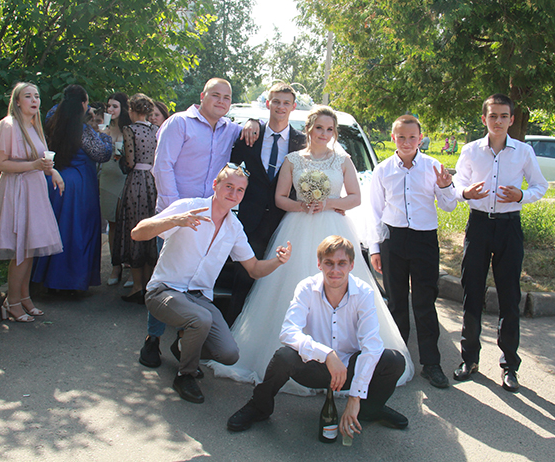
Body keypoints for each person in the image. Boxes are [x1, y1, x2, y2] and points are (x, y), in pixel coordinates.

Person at [207, 105, 414, 395]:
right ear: (309, 129)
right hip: (298, 225)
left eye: (330, 129)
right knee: (289, 286)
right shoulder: (293, 160)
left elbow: (355, 198)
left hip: (334, 227)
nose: (324, 134)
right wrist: (302, 205)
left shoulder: (343, 160)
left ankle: (345, 360)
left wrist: (328, 203)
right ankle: (291, 358)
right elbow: (280, 198)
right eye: (319, 128)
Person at [131, 163, 292, 404]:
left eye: (240, 190)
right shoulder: (188, 207)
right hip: (164, 291)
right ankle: (185, 375)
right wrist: (175, 220)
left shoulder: (234, 228)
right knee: (201, 319)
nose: (233, 194)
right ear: (215, 185)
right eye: (229, 186)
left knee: (229, 354)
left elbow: (254, 269)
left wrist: (278, 261)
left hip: (198, 298)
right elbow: (137, 232)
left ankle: (183, 347)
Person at [227, 236, 408, 437]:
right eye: (329, 263)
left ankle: (369, 409)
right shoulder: (306, 287)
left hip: (350, 370)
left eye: (342, 263)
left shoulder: (364, 292)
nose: (335, 270)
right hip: (315, 367)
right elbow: (288, 331)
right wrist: (327, 354)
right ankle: (259, 406)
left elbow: (371, 345)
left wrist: (355, 397)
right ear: (319, 264)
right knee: (284, 356)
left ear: (352, 265)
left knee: (393, 360)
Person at [138, 78, 256, 368]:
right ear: (202, 96)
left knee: (194, 282)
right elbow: (162, 166)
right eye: (215, 95)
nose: (221, 101)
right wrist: (175, 212)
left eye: (226, 97)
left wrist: (253, 121)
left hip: (211, 214)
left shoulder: (231, 129)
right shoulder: (179, 123)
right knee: (169, 278)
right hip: (179, 216)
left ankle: (184, 341)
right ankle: (153, 339)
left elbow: (255, 129)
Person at [452, 93, 548, 393]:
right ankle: (469, 359)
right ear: (484, 119)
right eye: (492, 116)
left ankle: (509, 366)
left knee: (509, 296)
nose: (498, 121)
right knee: (472, 292)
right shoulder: (470, 150)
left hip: (509, 227)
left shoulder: (523, 152)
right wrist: (466, 193)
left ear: (511, 119)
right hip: (479, 226)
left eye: (504, 116)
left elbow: (540, 185)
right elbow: (457, 183)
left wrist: (521, 196)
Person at [367, 115, 457, 389]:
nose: (407, 142)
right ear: (393, 138)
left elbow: (449, 205)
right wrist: (375, 248)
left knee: (424, 301)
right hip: (393, 240)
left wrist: (445, 186)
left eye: (412, 137)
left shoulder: (433, 166)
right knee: (396, 302)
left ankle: (431, 363)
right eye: (401, 137)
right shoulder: (383, 170)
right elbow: (375, 212)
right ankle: (398, 361)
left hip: (424, 240)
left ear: (421, 138)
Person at [225, 82, 306, 325]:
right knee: (242, 281)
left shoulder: (302, 143)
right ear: (268, 104)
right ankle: (232, 334)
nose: (281, 107)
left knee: (277, 285)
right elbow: (231, 169)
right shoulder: (250, 135)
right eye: (276, 101)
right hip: (250, 222)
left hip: (285, 223)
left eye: (286, 103)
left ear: (293, 107)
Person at [0, 82, 64, 322]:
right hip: (17, 190)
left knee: (29, 248)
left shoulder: (33, 126)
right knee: (20, 249)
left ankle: (24, 297)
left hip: (34, 190)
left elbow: (41, 161)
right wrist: (33, 166)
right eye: (28, 96)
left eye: (36, 96)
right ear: (17, 101)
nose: (34, 100)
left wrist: (52, 172)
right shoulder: (8, 126)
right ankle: (12, 302)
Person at [31, 85, 113, 292]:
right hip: (79, 183)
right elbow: (102, 153)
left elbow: (58, 110)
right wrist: (104, 135)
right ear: (83, 104)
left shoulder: (52, 119)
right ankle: (69, 282)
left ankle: (43, 278)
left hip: (54, 178)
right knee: (77, 230)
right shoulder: (82, 130)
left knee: (54, 228)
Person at [113, 93, 159, 304]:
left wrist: (121, 158)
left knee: (134, 227)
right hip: (152, 181)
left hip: (136, 182)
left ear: (131, 110)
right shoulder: (156, 130)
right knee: (150, 230)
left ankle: (137, 286)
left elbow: (130, 162)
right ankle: (148, 285)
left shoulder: (129, 130)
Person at [99, 93, 131, 286]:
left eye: (114, 106)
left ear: (123, 108)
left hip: (125, 179)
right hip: (108, 179)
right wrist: (101, 136)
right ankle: (115, 266)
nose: (110, 110)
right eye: (108, 106)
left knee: (128, 224)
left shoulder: (130, 129)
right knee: (112, 223)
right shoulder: (104, 129)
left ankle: (131, 265)